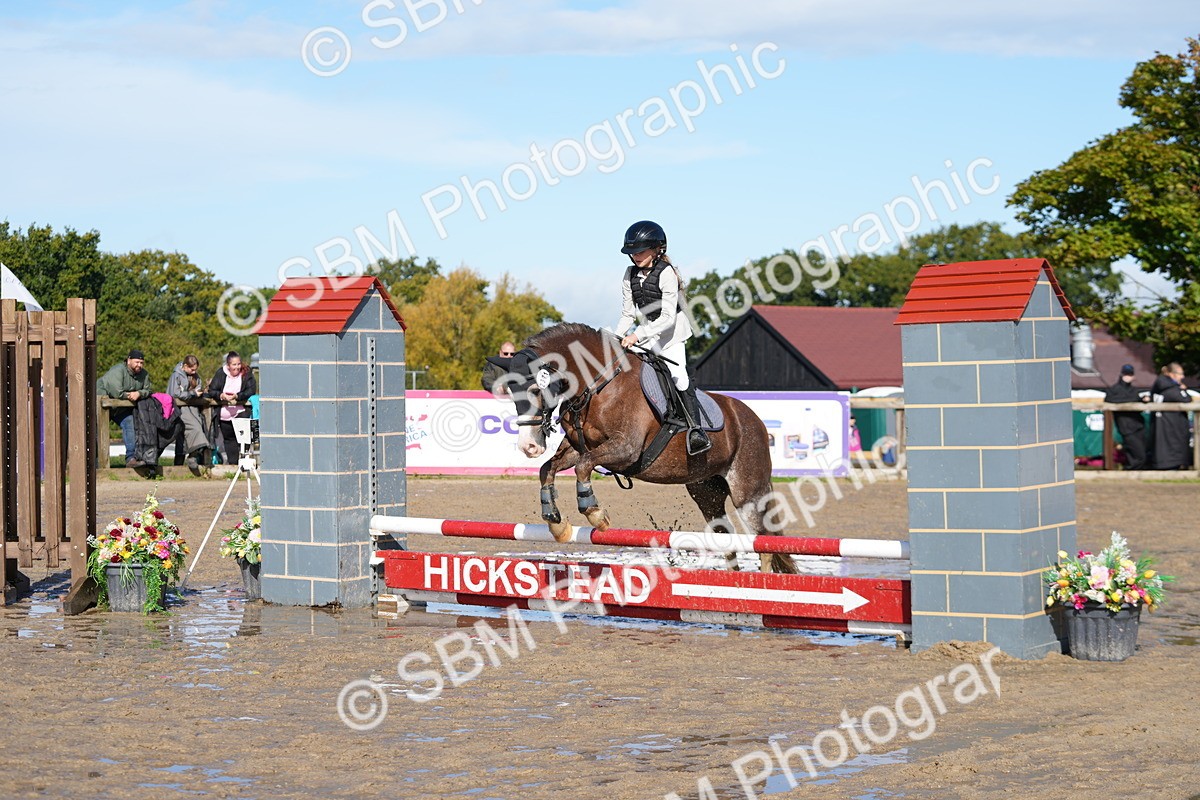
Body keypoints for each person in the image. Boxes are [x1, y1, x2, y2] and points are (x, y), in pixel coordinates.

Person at [615, 220, 710, 454]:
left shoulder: (667, 274)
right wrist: (615, 338)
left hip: (672, 335)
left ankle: (695, 430)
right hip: (647, 334)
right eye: (632, 252)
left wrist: (636, 335)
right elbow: (627, 313)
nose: (635, 256)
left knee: (679, 377)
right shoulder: (629, 274)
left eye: (641, 251)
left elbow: (668, 317)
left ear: (658, 249)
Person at [96, 349, 152, 468]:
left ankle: (131, 458)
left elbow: (148, 390)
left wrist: (139, 393)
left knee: (130, 424)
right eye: (137, 362)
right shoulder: (118, 371)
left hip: (120, 409)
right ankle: (94, 462)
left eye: (142, 363)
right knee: (95, 432)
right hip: (100, 405)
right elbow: (117, 392)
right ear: (128, 360)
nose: (139, 365)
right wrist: (131, 395)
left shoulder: (144, 374)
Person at [207, 351, 258, 466]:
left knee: (243, 439)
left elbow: (251, 390)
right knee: (229, 441)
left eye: (238, 364)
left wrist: (238, 396)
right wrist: (221, 395)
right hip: (224, 414)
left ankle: (246, 465)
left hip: (241, 411)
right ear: (228, 365)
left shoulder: (246, 373)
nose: (237, 367)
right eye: (234, 365)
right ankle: (233, 466)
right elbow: (212, 390)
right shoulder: (220, 373)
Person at [169, 355, 210, 475]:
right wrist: (192, 393)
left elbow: (196, 388)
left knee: (187, 435)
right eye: (192, 369)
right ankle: (183, 463)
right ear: (185, 366)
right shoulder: (176, 376)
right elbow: (175, 393)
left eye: (196, 369)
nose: (194, 372)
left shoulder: (195, 377)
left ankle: (190, 458)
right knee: (192, 431)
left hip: (192, 409)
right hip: (179, 409)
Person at [1104, 364, 1149, 470]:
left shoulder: (1134, 390)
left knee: (1138, 453)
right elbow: (1109, 401)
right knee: (1139, 455)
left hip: (1138, 425)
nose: (1128, 377)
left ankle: (1132, 471)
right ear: (1121, 375)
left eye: (1130, 374)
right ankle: (1130, 470)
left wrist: (1142, 400)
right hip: (1126, 427)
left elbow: (1138, 404)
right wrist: (1134, 401)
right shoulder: (1114, 390)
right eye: (1126, 374)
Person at [1150, 362, 1193, 470]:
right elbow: (1186, 399)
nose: (1182, 377)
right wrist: (1183, 390)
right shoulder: (1171, 389)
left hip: (1163, 425)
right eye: (1180, 374)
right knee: (1172, 449)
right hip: (1172, 425)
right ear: (1172, 374)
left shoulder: (1159, 386)